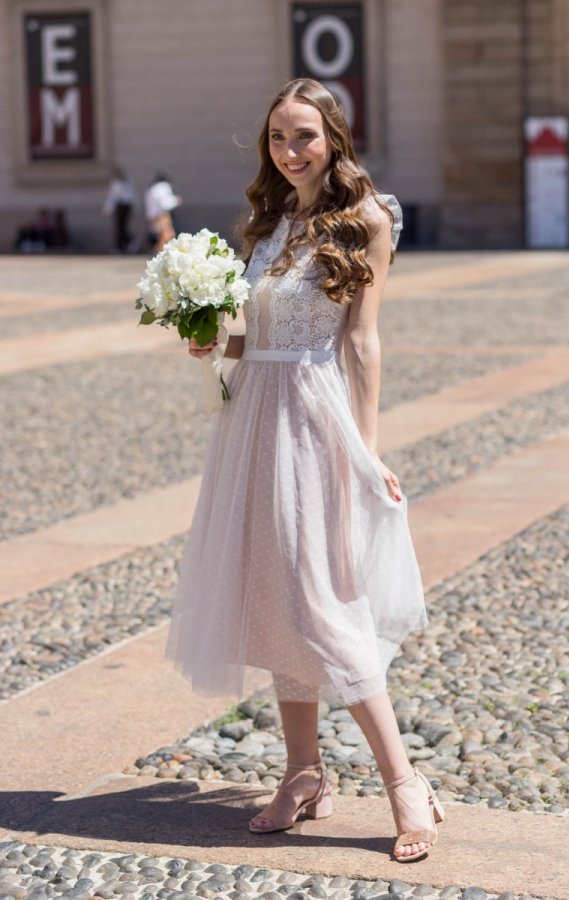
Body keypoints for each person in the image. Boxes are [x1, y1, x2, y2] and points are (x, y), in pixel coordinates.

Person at [165, 78, 444, 862]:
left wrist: (367, 449)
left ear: (334, 137)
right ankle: (302, 774)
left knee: (321, 600)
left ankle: (403, 784)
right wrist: (210, 342)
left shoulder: (366, 218)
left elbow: (362, 341)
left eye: (305, 137)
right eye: (279, 138)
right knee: (274, 594)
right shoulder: (265, 222)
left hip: (315, 422)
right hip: (253, 418)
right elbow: (257, 339)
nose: (290, 152)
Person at [144, 171, 181, 253]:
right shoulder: (162, 187)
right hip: (161, 216)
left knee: (163, 237)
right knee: (167, 235)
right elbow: (165, 203)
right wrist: (176, 200)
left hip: (152, 217)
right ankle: (159, 255)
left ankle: (157, 254)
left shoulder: (151, 188)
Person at [102, 166, 137, 252]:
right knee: (120, 227)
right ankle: (122, 245)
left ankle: (125, 244)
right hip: (122, 206)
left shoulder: (125, 182)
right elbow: (113, 197)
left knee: (122, 227)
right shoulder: (119, 182)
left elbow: (113, 197)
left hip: (124, 206)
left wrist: (108, 209)